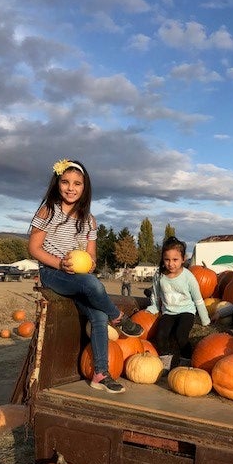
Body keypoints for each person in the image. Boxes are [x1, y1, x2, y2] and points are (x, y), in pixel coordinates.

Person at [28, 158, 143, 394]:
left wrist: (89, 264)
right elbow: (34, 249)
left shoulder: (89, 221)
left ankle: (100, 374)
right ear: (57, 183)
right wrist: (60, 263)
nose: (71, 188)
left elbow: (91, 257)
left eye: (77, 183)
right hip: (52, 273)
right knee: (93, 285)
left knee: (98, 315)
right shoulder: (48, 211)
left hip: (78, 277)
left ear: (85, 187)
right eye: (65, 182)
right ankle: (118, 317)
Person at [146, 236, 210, 371]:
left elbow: (198, 299)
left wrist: (205, 320)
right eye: (167, 259)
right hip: (169, 312)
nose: (171, 263)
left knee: (181, 335)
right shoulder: (159, 275)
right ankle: (165, 362)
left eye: (175, 260)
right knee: (161, 335)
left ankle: (186, 359)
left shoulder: (188, 276)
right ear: (163, 259)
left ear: (183, 259)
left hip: (186, 311)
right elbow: (156, 294)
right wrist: (154, 307)